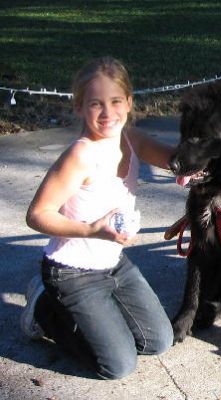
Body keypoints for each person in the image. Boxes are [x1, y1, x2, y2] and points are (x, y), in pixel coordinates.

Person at [21, 57, 174, 380]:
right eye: (96, 104)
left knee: (158, 341)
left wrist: (198, 165)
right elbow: (37, 215)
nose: (108, 113)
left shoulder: (133, 139)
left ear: (130, 102)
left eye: (116, 101)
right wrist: (91, 229)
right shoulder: (81, 155)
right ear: (79, 108)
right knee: (117, 366)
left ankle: (97, 315)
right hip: (71, 272)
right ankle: (43, 308)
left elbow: (176, 159)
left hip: (114, 264)